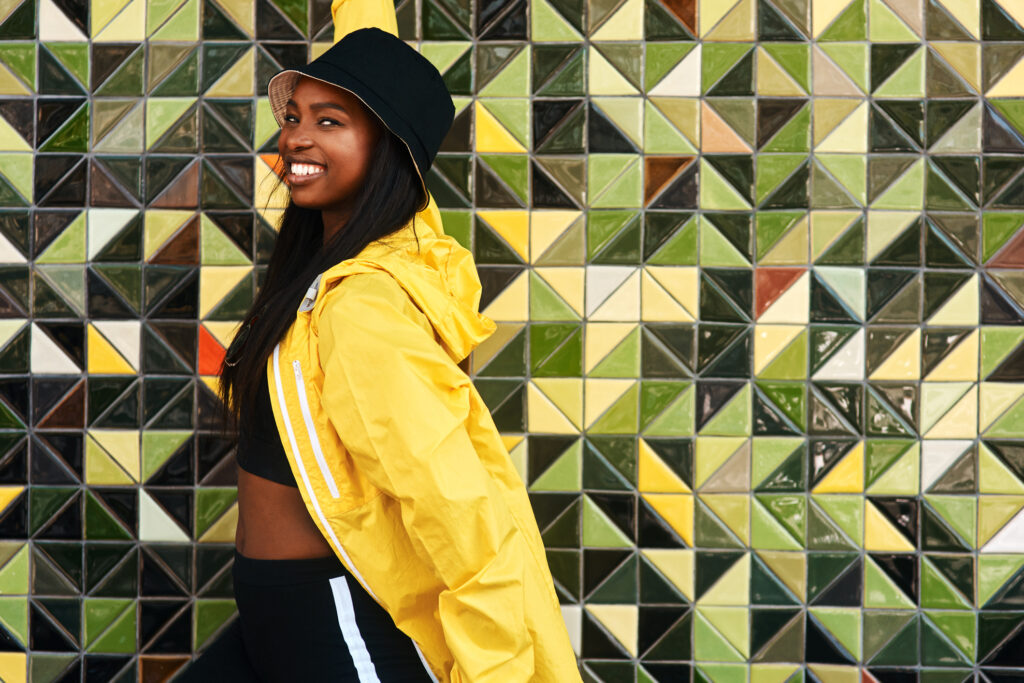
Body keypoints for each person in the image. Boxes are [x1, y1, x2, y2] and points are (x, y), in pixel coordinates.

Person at [176, 0, 582, 681]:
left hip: (329, 616)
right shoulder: (346, 257)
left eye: (328, 122)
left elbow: (453, 504)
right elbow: (376, 65)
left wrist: (500, 666)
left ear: (390, 148)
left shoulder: (364, 307)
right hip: (271, 612)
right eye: (294, 117)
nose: (296, 139)